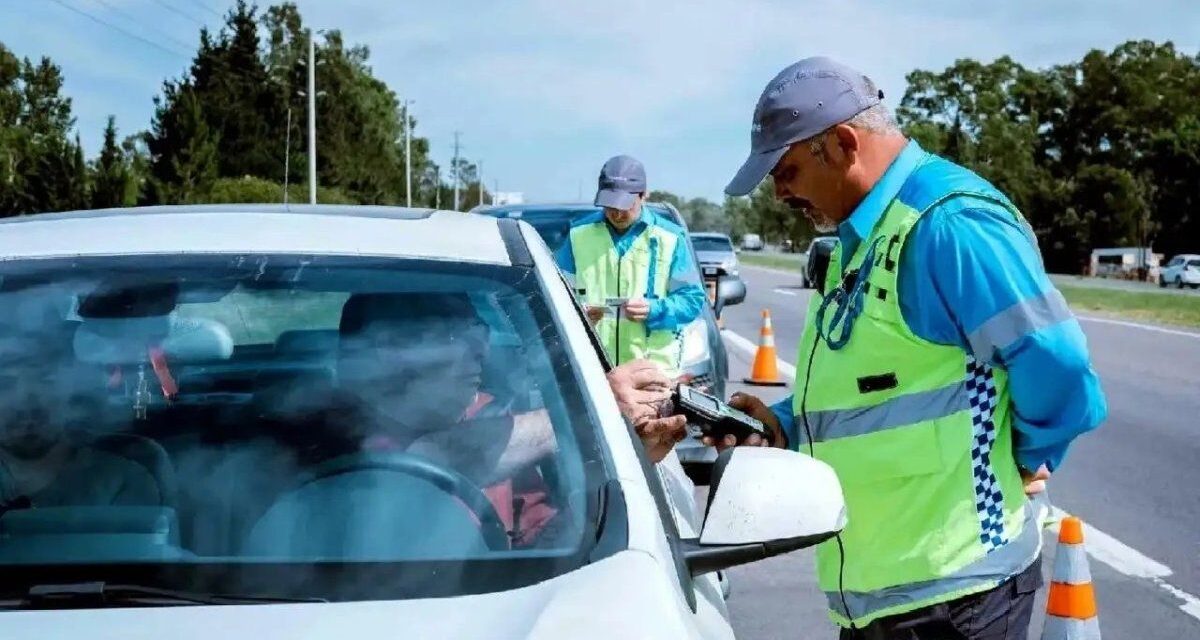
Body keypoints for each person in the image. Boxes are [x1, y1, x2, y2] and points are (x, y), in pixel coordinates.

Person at [714, 57, 1107, 639]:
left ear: (843, 143)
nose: (779, 193)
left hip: (956, 597)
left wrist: (1022, 459)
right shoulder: (861, 235)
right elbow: (885, 382)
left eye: (786, 170)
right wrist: (785, 423)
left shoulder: (948, 226)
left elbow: (1059, 364)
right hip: (883, 599)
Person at [328, 292, 687, 547]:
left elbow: (548, 547)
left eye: (479, 333)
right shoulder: (319, 433)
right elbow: (424, 457)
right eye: (455, 335)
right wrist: (594, 411)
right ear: (388, 351)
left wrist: (623, 471)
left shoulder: (491, 419)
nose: (481, 350)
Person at [555, 155, 708, 377]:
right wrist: (580, 312)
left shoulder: (671, 238)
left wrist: (654, 309)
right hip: (594, 373)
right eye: (610, 206)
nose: (616, 214)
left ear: (644, 195)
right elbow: (557, 294)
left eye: (624, 205)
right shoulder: (578, 235)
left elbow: (691, 300)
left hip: (654, 374)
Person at [0, 349, 162, 510]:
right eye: (5, 383)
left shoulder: (120, 482)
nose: (24, 399)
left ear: (72, 393)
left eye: (46, 379)